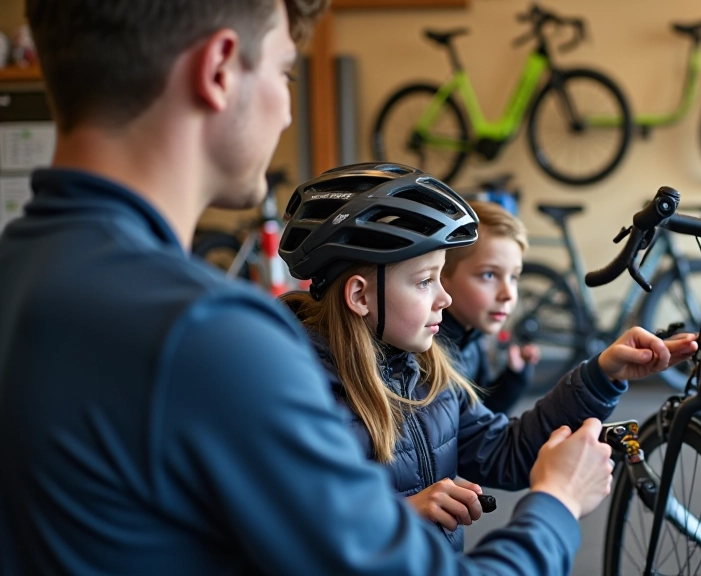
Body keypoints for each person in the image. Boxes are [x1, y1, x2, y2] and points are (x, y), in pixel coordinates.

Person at [0, 2, 623, 574]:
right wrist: (556, 506)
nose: (287, 110)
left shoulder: (27, 271)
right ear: (219, 69)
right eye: (284, 73)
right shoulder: (208, 335)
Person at [277, 163, 699, 552]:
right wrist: (399, 514)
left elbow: (506, 450)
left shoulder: (427, 372)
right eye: (425, 281)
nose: (444, 297)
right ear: (359, 296)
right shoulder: (302, 395)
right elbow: (289, 534)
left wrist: (603, 373)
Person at [438, 200, 539, 414]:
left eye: (514, 277)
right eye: (489, 275)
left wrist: (514, 377)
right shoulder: (429, 357)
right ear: (443, 275)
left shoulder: (472, 334)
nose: (509, 294)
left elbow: (482, 413)